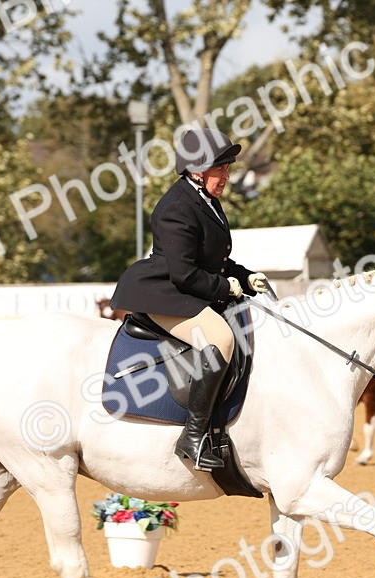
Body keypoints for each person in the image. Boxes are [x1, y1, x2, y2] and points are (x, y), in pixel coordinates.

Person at [110, 128, 269, 471]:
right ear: (198, 170)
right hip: (164, 292)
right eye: (220, 168)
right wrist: (225, 289)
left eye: (227, 168)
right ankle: (193, 437)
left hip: (184, 286)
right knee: (222, 337)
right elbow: (185, 273)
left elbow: (215, 260)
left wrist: (245, 276)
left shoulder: (206, 200)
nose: (226, 175)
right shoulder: (177, 206)